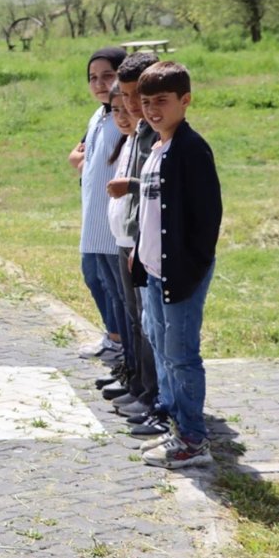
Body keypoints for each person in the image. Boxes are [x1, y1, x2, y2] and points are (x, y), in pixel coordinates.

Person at [130, 61, 222, 469]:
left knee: (181, 354)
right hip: (153, 272)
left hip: (179, 274)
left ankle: (193, 440)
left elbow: (206, 220)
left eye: (162, 102)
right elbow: (152, 211)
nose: (152, 110)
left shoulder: (191, 149)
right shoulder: (157, 147)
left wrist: (188, 269)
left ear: (185, 101)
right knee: (163, 349)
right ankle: (175, 425)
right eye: (146, 102)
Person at [105, 53, 162, 430]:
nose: (128, 105)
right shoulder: (135, 132)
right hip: (127, 240)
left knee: (150, 325)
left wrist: (140, 246)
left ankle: (152, 396)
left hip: (145, 245)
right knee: (135, 318)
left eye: (134, 95)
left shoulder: (157, 134)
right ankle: (140, 386)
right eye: (123, 97)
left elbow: (160, 191)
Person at [70, 47, 132, 380]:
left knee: (115, 288)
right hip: (91, 217)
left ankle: (123, 345)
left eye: (107, 75)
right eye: (93, 77)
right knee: (93, 278)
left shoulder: (123, 116)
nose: (99, 83)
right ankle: (113, 337)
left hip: (111, 222)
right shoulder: (99, 114)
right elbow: (79, 151)